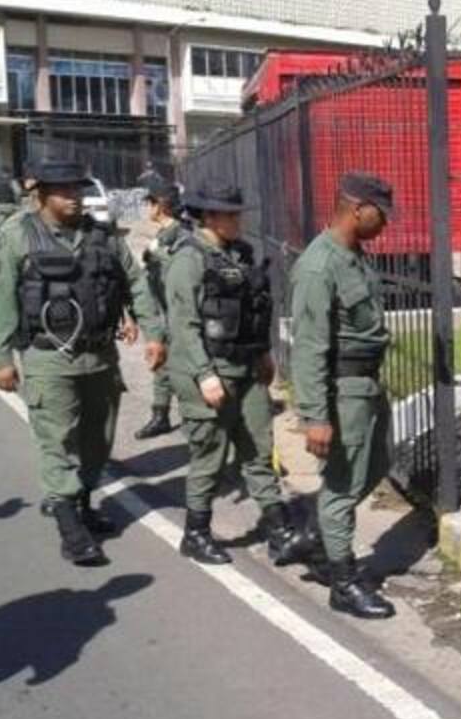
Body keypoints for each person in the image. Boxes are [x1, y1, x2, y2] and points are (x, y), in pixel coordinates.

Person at [0, 159, 167, 565]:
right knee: (58, 441)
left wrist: (153, 333)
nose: (74, 197)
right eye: (64, 190)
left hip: (100, 356)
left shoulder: (102, 236)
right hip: (48, 358)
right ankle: (70, 527)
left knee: (98, 439)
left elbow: (135, 282)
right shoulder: (17, 235)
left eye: (78, 189)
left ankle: (82, 504)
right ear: (42, 194)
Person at [164, 184, 309, 567]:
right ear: (209, 217)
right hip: (209, 372)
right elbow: (184, 325)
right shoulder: (188, 259)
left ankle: (279, 531)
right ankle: (196, 533)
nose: (238, 220)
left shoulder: (240, 254)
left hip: (246, 369)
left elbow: (253, 310)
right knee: (210, 456)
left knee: (259, 449)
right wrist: (204, 375)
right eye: (230, 214)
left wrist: (263, 354)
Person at [289, 173, 398, 619]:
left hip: (367, 386)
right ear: (357, 209)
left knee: (378, 465)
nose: (386, 223)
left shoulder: (354, 257)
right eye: (381, 214)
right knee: (342, 484)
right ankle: (343, 580)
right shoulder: (319, 267)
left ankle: (316, 536)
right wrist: (315, 416)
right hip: (342, 391)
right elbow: (309, 347)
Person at [134, 174, 188, 440]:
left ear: (160, 205)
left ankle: (191, 417)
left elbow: (179, 270)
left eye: (151, 202)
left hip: (179, 312)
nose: (148, 208)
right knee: (161, 364)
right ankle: (160, 414)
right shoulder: (166, 233)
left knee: (181, 366)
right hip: (163, 309)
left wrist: (155, 254)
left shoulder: (181, 234)